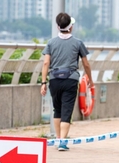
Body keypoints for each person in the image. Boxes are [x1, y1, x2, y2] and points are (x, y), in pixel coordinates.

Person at [40, 13, 94, 151]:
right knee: (67, 111)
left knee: (57, 110)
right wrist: (90, 80)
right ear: (71, 27)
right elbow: (86, 64)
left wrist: (43, 83)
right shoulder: (78, 43)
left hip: (54, 80)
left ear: (58, 26)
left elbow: (46, 63)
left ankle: (58, 139)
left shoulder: (51, 43)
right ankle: (63, 143)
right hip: (71, 79)